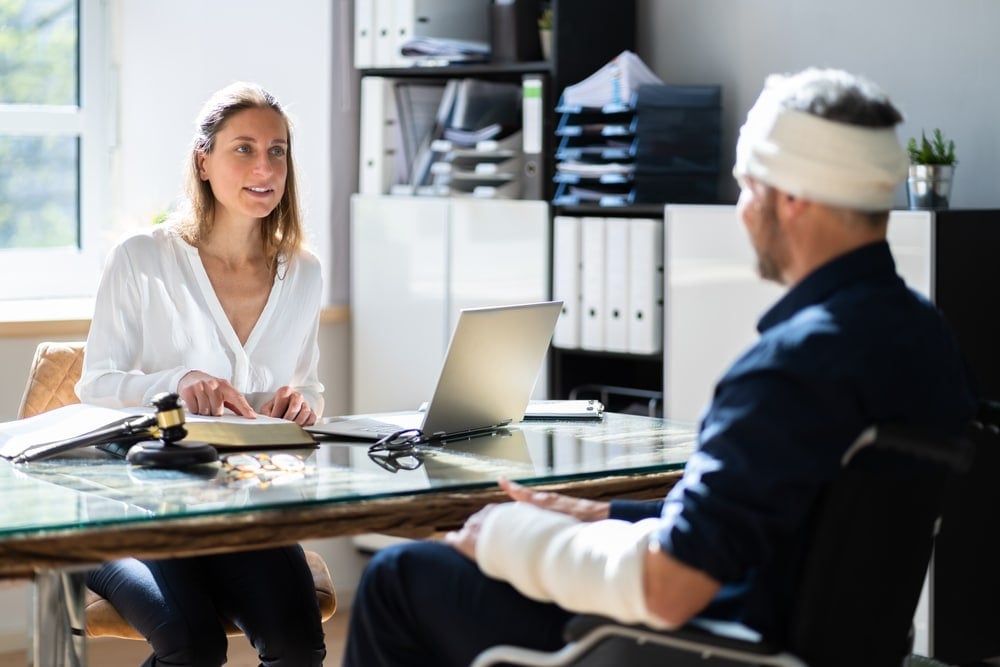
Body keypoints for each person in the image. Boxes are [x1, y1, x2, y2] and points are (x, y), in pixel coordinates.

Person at [342, 68, 979, 666]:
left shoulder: (790, 366)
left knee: (399, 580)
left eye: (747, 186)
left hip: (714, 645)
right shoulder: (927, 340)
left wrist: (512, 538)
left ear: (789, 198)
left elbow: (672, 587)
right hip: (803, 640)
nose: (741, 210)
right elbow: (757, 522)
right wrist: (599, 514)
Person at [76, 82, 326, 667]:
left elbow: (309, 384)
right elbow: (95, 385)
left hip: (242, 508)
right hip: (133, 511)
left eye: (278, 150)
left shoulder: (304, 272)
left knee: (296, 645)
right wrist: (176, 383)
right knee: (193, 646)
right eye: (244, 148)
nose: (264, 166)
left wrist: (302, 403)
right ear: (203, 158)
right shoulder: (142, 257)